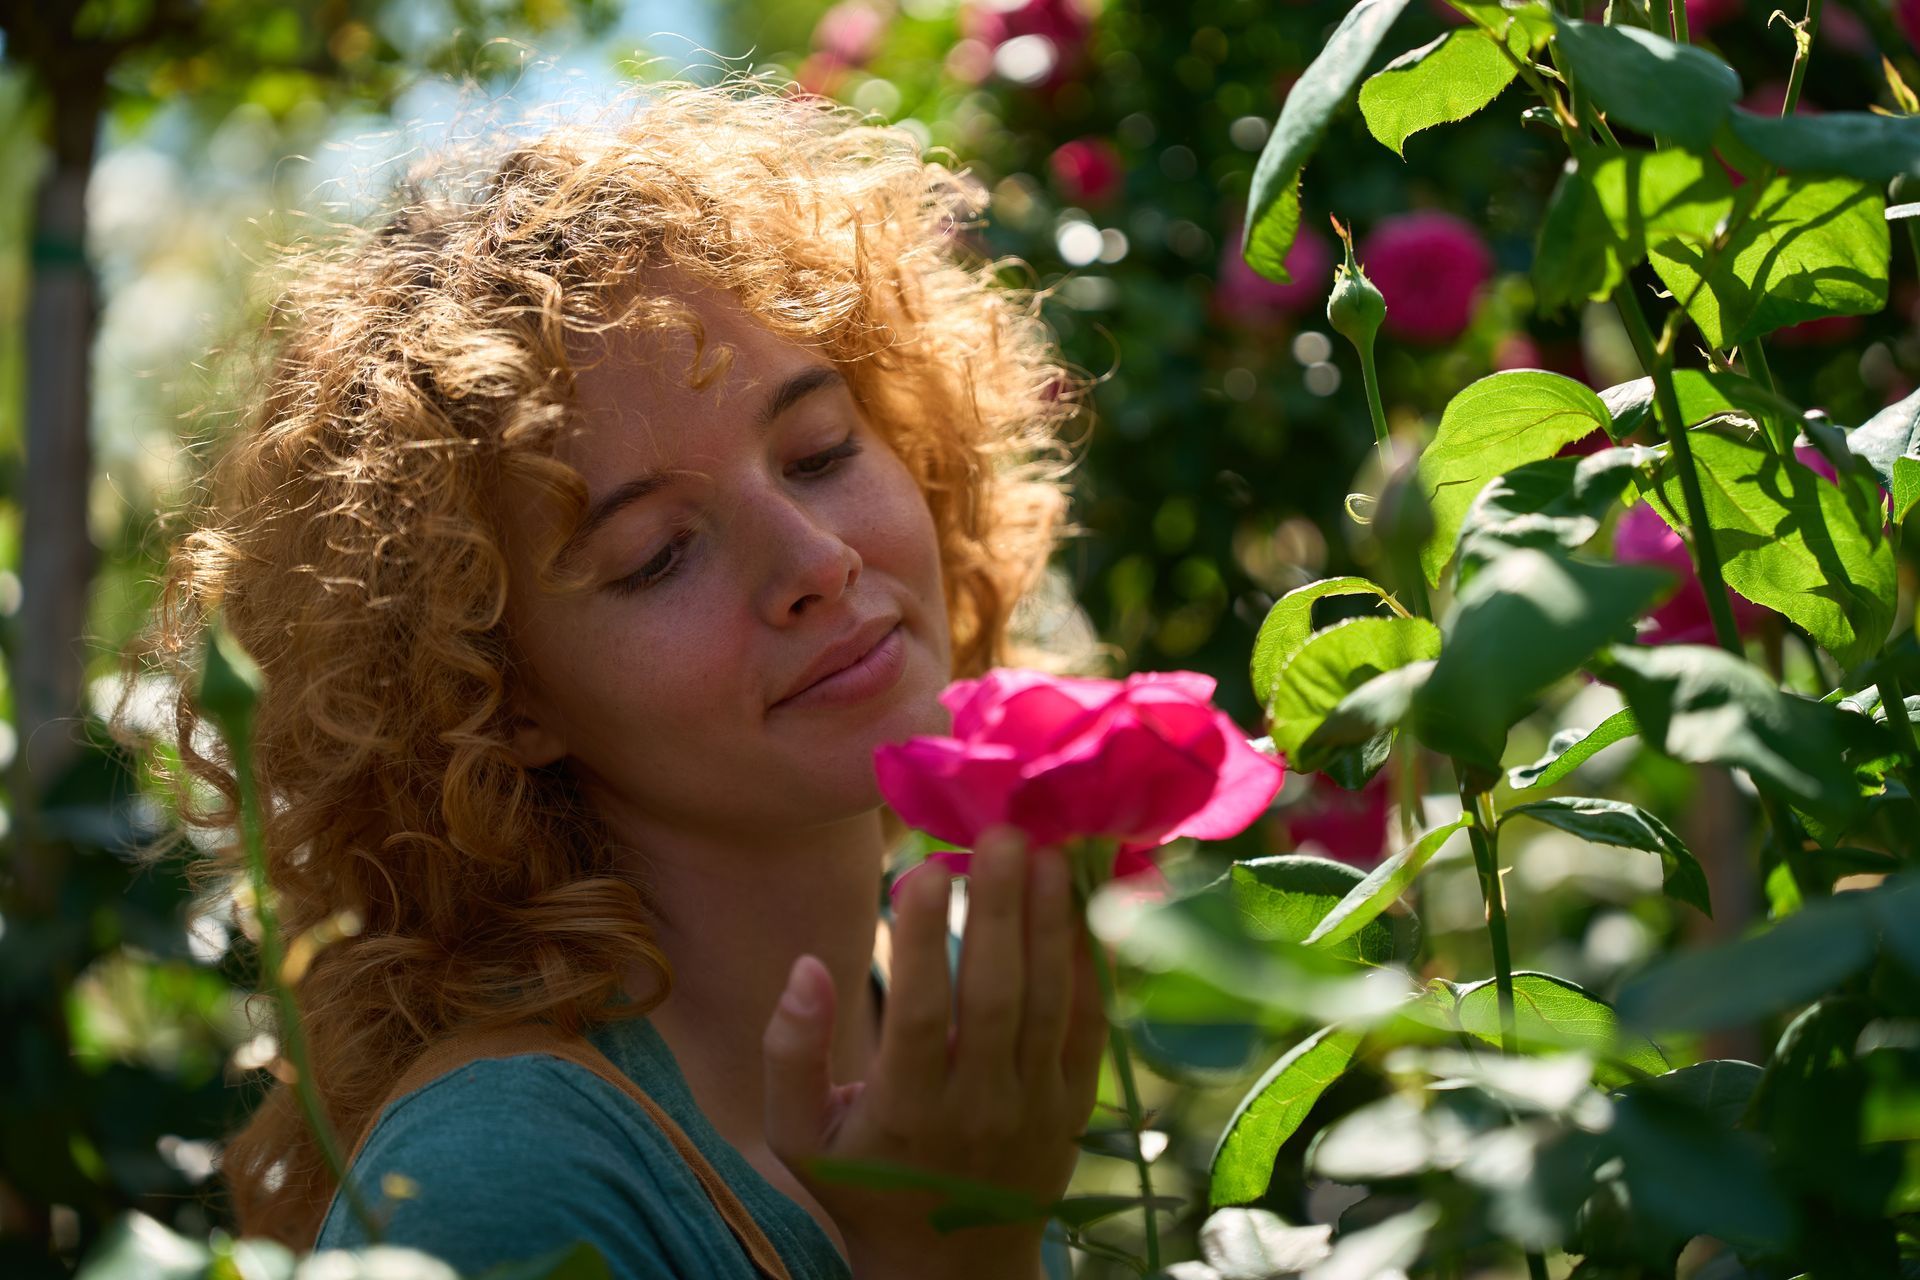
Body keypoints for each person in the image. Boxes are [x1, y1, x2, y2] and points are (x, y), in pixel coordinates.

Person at [132, 77, 1109, 1279]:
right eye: (655, 555)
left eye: (820, 451)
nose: (817, 560)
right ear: (500, 696)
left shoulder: (946, 1013)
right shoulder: (501, 1179)